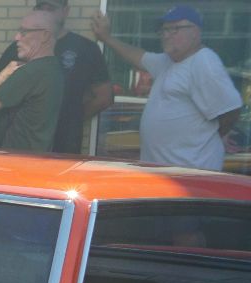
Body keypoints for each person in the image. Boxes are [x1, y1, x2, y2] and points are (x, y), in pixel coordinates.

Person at [92, 5, 241, 170]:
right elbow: (138, 56)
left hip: (192, 174)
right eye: (164, 30)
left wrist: (215, 135)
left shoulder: (203, 62)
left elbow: (230, 110)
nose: (166, 35)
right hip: (166, 173)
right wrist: (107, 38)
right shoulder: (167, 61)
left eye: (174, 29)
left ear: (195, 32)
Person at [0, 0, 111, 155]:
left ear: (65, 11)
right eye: (40, 7)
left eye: (51, 8)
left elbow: (104, 97)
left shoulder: (86, 48)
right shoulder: (18, 47)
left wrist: (69, 119)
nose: (45, 12)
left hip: (65, 145)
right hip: (19, 150)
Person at [0, 8, 65, 152]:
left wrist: (2, 76)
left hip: (15, 162)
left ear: (44, 35)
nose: (17, 37)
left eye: (24, 32)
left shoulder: (32, 72)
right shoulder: (53, 68)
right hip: (36, 157)